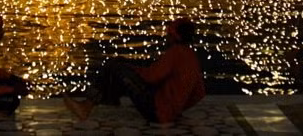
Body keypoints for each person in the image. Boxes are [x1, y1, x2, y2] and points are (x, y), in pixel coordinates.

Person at [64, 17, 206, 124]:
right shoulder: (192, 57)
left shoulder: (175, 53)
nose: (166, 37)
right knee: (123, 68)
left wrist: (130, 68)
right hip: (169, 113)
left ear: (174, 35)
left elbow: (151, 77)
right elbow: (199, 92)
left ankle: (87, 106)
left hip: (156, 111)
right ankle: (108, 99)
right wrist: (177, 109)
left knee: (115, 66)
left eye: (168, 33)